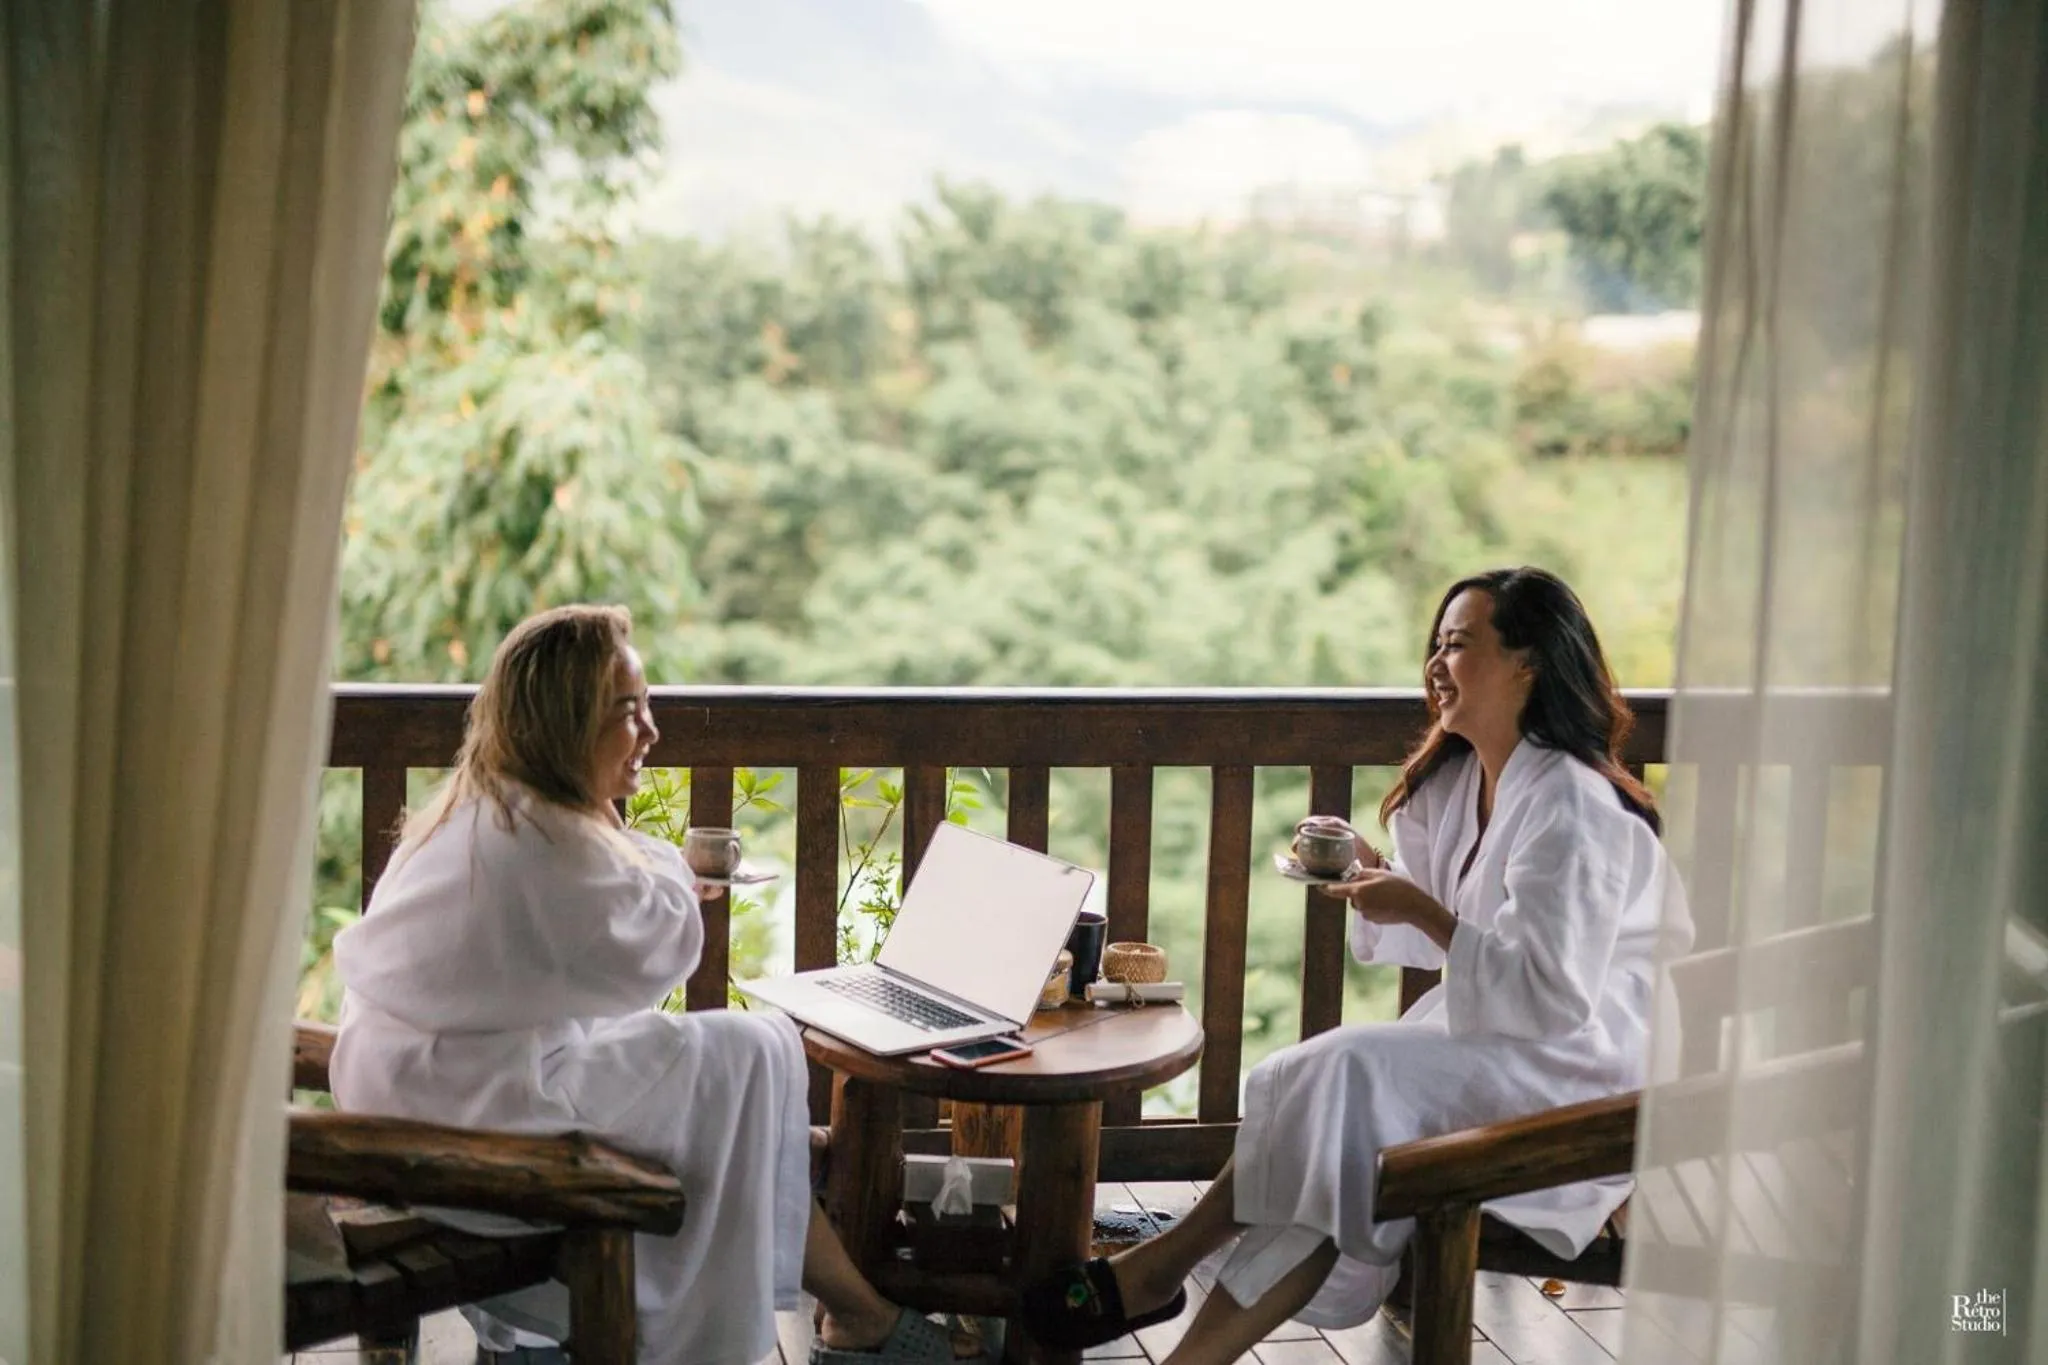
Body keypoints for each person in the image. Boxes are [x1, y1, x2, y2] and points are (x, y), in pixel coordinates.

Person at [1020, 566, 1693, 1362]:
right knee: (1331, 1114)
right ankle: (1176, 1324)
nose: (1438, 663)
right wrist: (1379, 879)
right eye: (1436, 644)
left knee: (1337, 1075)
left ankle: (1162, 1267)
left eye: (1461, 643)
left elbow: (1551, 991)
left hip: (1588, 1070)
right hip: (1510, 1037)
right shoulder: (1472, 780)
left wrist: (1421, 909)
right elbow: (1449, 926)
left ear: (1528, 662)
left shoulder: (1573, 805)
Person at [330, 605, 970, 1365]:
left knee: (739, 1069)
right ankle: (846, 1303)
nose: (651, 731)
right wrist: (664, 863)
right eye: (628, 711)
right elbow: (655, 959)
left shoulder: (486, 805)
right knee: (746, 1051)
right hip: (476, 1124)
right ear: (567, 725)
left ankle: (850, 1300)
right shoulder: (545, 842)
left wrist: (626, 844)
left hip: (424, 1093)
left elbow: (593, 963)